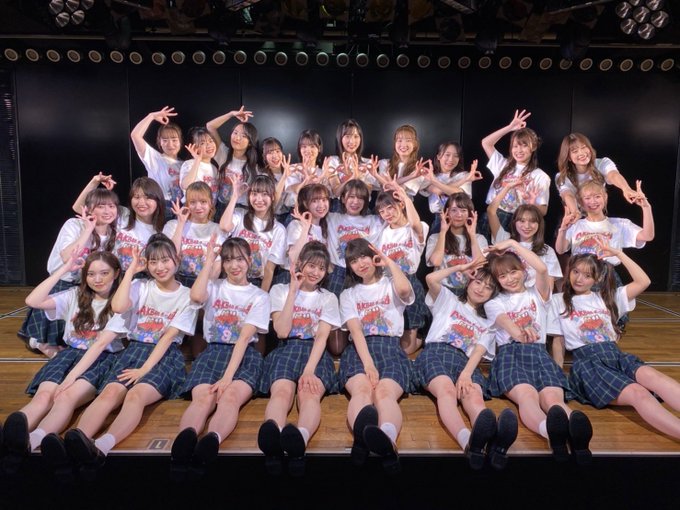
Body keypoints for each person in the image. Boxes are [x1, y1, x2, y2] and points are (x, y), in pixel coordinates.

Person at [44, 235, 198, 480]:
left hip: (163, 356)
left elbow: (168, 337)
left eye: (165, 260)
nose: (159, 267)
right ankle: (78, 444)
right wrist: (131, 272)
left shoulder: (187, 295)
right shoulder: (139, 286)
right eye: (153, 262)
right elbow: (116, 310)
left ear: (176, 261)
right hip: (133, 351)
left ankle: (102, 447)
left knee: (135, 396)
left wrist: (144, 370)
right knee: (109, 393)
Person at [1, 251, 125, 476]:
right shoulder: (75, 295)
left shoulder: (120, 303)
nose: (97, 279)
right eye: (91, 274)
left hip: (100, 359)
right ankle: (11, 440)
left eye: (104, 273)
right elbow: (32, 301)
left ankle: (33, 440)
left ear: (116, 274)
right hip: (68, 355)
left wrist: (70, 378)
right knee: (43, 397)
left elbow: (99, 346)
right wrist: (64, 269)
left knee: (66, 397)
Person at [549, 243, 680, 441]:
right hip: (590, 365)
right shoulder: (558, 301)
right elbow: (558, 343)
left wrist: (619, 253)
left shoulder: (607, 297)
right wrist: (557, 375)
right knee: (639, 393)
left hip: (616, 356)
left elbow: (643, 281)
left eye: (587, 275)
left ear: (597, 279)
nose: (579, 278)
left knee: (655, 377)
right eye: (575, 271)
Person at [484, 238, 593, 465]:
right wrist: (520, 332)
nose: (510, 278)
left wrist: (512, 243)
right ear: (497, 281)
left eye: (513, 271)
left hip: (539, 353)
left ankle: (578, 436)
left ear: (524, 271)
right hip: (511, 354)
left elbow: (542, 269)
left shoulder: (538, 294)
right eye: (502, 276)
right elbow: (506, 323)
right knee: (527, 397)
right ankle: (551, 433)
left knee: (553, 399)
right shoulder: (494, 302)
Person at [171, 237, 270, 480]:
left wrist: (227, 377)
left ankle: (211, 443)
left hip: (244, 355)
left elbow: (244, 338)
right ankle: (184, 446)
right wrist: (208, 262)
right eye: (228, 260)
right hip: (213, 351)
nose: (234, 265)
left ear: (249, 260)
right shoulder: (214, 287)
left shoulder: (259, 296)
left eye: (239, 259)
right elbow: (196, 296)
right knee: (204, 398)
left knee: (230, 397)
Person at [414, 257, 519, 470]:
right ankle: (468, 443)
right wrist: (461, 267)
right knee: (446, 391)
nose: (481, 289)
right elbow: (431, 278)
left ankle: (495, 444)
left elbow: (479, 351)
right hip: (436, 353)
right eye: (478, 282)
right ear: (469, 282)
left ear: (493, 294)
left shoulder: (488, 322)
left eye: (488, 287)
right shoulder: (449, 299)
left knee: (474, 397)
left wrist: (466, 373)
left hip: (466, 362)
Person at [257, 241, 341, 476]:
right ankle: (273, 445)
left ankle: (299, 441)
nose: (315, 272)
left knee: (309, 394)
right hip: (287, 348)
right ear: (300, 264)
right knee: (281, 393)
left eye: (321, 268)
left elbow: (322, 337)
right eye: (311, 265)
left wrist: (309, 370)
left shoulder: (328, 298)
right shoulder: (280, 290)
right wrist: (293, 292)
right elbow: (282, 331)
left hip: (314, 353)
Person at [338, 238, 415, 474]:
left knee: (384, 393)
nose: (360, 263)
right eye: (353, 261)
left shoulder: (391, 283)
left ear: (374, 257)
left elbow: (405, 291)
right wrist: (368, 364)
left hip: (390, 347)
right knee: (362, 391)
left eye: (363, 256)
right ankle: (361, 439)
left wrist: (389, 262)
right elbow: (355, 331)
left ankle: (387, 443)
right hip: (360, 349)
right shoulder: (348, 294)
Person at [19, 188, 121, 359]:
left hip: (89, 285)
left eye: (111, 206)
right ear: (88, 209)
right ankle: (40, 342)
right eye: (101, 206)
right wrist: (88, 230)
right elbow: (68, 257)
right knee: (54, 331)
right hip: (63, 281)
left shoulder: (113, 232)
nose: (107, 211)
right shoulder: (74, 225)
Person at [478, 110, 550, 239]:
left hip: (517, 222)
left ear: (533, 147)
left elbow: (543, 211)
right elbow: (486, 143)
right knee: (483, 250)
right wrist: (510, 128)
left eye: (524, 146)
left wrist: (531, 203)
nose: (519, 150)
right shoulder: (502, 164)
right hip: (491, 216)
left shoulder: (540, 176)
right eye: (515, 146)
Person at [375, 185, 429, 354]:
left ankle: (425, 337)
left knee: (407, 349)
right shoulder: (383, 232)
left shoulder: (418, 227)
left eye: (390, 207)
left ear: (401, 205)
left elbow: (414, 224)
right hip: (388, 284)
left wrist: (405, 196)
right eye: (382, 211)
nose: (387, 214)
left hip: (409, 282)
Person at [555, 180, 654, 266]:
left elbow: (647, 236)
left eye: (597, 196)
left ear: (605, 197)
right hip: (580, 274)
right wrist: (563, 229)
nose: (593, 201)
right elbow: (560, 250)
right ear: (580, 202)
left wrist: (646, 207)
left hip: (608, 274)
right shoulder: (575, 225)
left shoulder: (620, 224)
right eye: (587, 198)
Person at [488, 181, 562, 290]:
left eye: (532, 221)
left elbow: (548, 289)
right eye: (522, 221)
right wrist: (508, 187)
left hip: (532, 299)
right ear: (514, 222)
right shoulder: (504, 239)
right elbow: (491, 211)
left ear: (539, 224)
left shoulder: (547, 250)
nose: (527, 226)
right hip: (505, 298)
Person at [220, 174, 286, 292]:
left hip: (256, 283)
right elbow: (224, 226)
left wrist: (262, 295)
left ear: (272, 197)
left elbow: (269, 269)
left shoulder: (279, 230)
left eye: (264, 194)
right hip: (232, 279)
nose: (259, 199)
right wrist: (235, 196)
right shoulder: (240, 215)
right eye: (254, 194)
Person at [555, 132, 638, 219]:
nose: (581, 153)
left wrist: (626, 189)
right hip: (575, 217)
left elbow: (613, 175)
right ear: (568, 157)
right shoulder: (561, 176)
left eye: (584, 147)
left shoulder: (602, 163)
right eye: (575, 151)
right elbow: (567, 195)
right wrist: (575, 212)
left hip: (599, 214)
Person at [163, 181, 225, 288]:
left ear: (211, 203)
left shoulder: (218, 229)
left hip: (204, 283)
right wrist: (181, 223)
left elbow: (217, 266)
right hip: (176, 282)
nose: (198, 207)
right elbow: (170, 256)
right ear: (187, 204)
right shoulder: (172, 225)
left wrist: (205, 287)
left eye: (203, 202)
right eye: (192, 202)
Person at [425, 192, 488, 296]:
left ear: (470, 214)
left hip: (468, 292)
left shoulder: (479, 238)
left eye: (463, 210)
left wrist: (472, 235)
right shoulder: (435, 237)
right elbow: (436, 262)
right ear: (446, 213)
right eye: (454, 210)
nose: (459, 215)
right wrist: (443, 232)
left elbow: (481, 264)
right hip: (442, 290)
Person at [130, 106, 184, 217]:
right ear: (160, 142)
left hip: (182, 208)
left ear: (180, 141)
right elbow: (135, 135)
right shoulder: (155, 158)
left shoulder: (185, 164)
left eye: (174, 140)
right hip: (163, 207)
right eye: (165, 140)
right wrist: (151, 116)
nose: (170, 144)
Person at [206, 105, 259, 215]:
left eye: (243, 136)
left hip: (242, 210)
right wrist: (231, 114)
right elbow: (210, 126)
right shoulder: (224, 154)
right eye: (235, 133)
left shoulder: (254, 166)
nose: (237, 138)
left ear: (250, 142)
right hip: (221, 207)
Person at [425, 146, 482, 233]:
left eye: (456, 156)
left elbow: (459, 194)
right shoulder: (429, 176)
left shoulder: (463, 175)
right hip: (439, 218)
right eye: (447, 155)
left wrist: (465, 178)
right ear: (439, 156)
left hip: (461, 217)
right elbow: (438, 191)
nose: (451, 159)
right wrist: (465, 180)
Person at [179, 127, 224, 201]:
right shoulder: (189, 164)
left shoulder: (214, 168)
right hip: (192, 206)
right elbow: (185, 185)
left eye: (211, 141)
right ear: (194, 148)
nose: (209, 145)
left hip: (210, 207)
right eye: (202, 143)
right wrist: (197, 161)